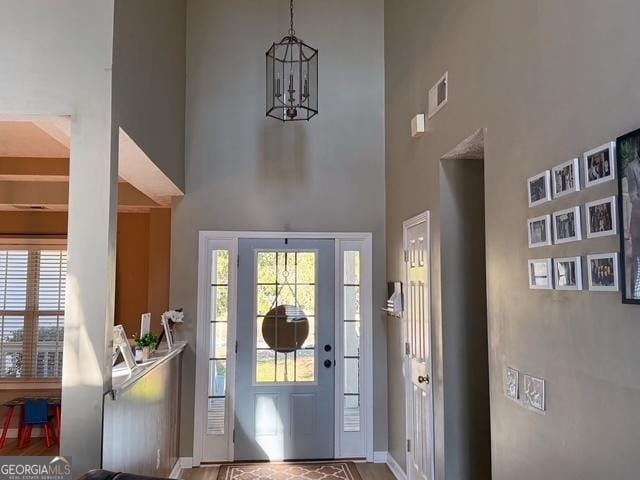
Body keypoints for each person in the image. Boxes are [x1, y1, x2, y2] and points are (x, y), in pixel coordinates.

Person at [627, 148, 640, 295]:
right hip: (638, 218)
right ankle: (634, 295)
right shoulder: (632, 167)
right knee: (637, 258)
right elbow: (633, 196)